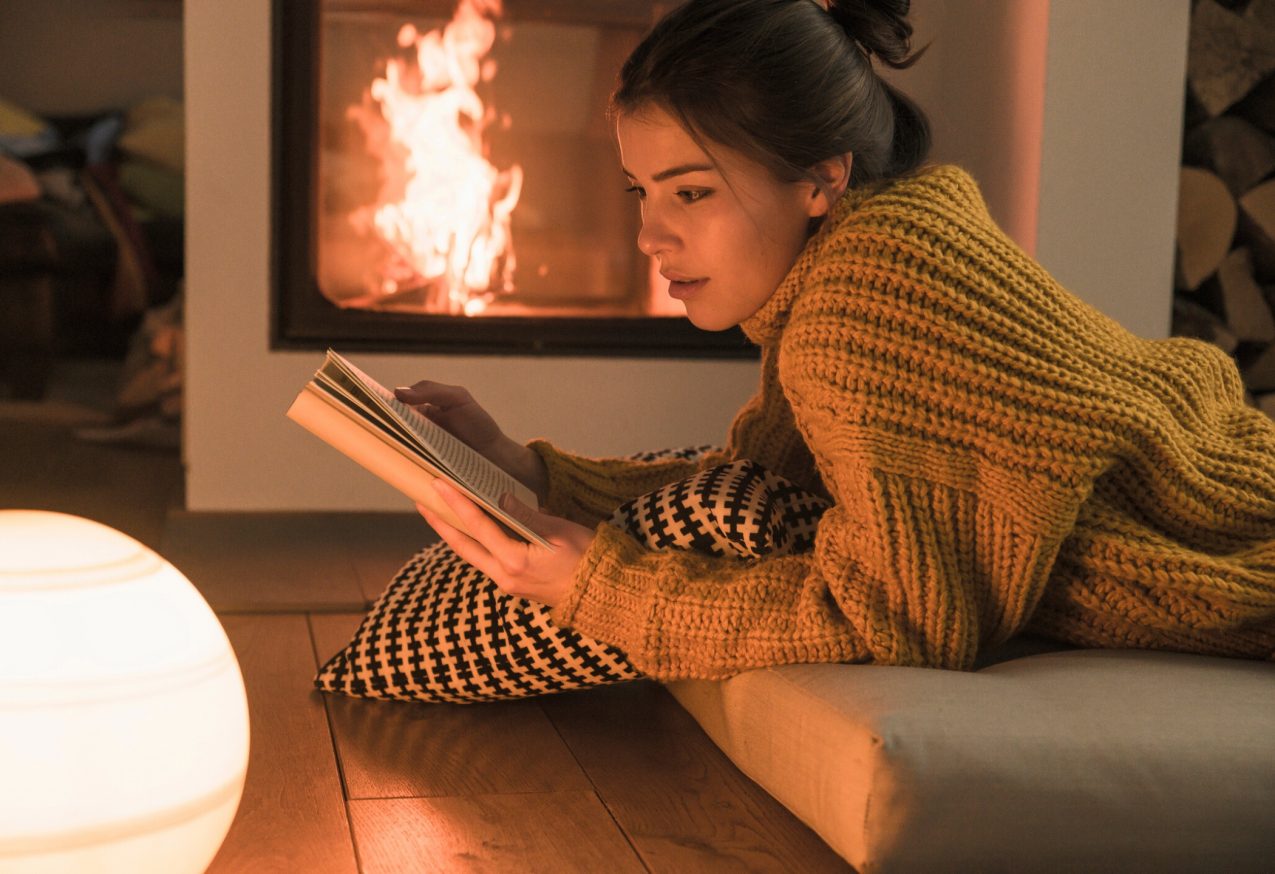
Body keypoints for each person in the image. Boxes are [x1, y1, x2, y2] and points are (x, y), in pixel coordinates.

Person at [396, 0, 1275, 679]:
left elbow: (901, 618)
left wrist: (596, 588)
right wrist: (524, 468)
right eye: (640, 193)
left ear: (821, 179)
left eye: (690, 193)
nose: (650, 238)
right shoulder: (853, 264)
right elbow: (760, 483)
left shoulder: (859, 304)